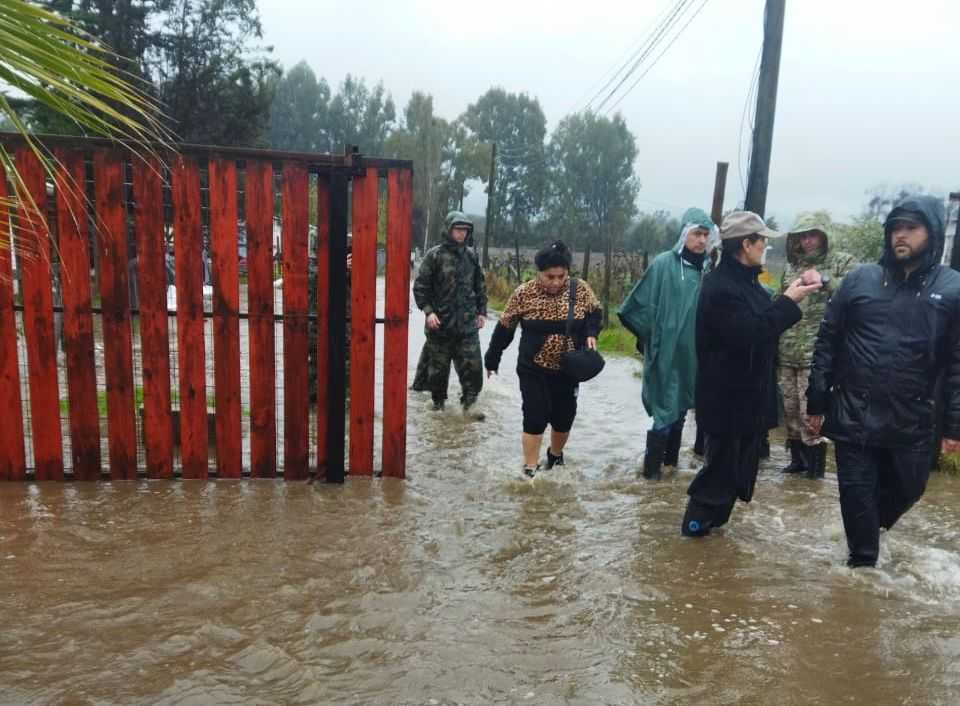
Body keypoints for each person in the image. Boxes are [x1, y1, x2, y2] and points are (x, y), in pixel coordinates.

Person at [807, 195, 960, 568]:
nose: (901, 236)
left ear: (933, 233)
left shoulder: (952, 289)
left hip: (913, 421)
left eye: (911, 228)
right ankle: (857, 590)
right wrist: (817, 401)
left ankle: (867, 530)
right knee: (862, 547)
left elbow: (957, 363)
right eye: (895, 228)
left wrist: (954, 424)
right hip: (854, 417)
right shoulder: (862, 280)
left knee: (910, 488)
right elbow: (828, 340)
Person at [681, 211, 822, 537]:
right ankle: (693, 537)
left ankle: (712, 541)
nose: (766, 248)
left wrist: (793, 290)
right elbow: (752, 331)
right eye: (762, 241)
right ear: (746, 244)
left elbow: (763, 315)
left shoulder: (749, 284)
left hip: (748, 401)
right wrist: (790, 299)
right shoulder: (720, 288)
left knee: (738, 475)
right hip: (726, 401)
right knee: (719, 474)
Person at [484, 241, 602, 477]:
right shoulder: (523, 293)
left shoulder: (579, 289)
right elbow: (505, 327)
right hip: (532, 368)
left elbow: (595, 312)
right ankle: (529, 468)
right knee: (535, 417)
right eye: (550, 277)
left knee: (564, 417)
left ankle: (555, 455)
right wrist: (492, 359)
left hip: (568, 367)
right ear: (538, 272)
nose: (556, 282)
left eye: (561, 276)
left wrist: (591, 334)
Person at [618, 207, 716, 479]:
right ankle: (651, 477)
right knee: (664, 411)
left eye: (706, 235)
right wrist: (649, 338)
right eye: (697, 233)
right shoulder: (663, 264)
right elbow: (637, 306)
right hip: (666, 353)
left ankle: (669, 466)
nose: (701, 240)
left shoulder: (709, 270)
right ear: (685, 233)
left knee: (682, 409)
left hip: (694, 355)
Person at [776, 213, 855, 478]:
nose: (808, 241)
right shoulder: (790, 267)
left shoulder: (842, 262)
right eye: (803, 235)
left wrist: (823, 278)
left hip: (817, 355)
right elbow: (780, 302)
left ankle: (815, 472)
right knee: (790, 412)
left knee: (810, 412)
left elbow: (856, 291)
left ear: (824, 235)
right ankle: (797, 461)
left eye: (813, 234)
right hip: (787, 351)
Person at [413, 211, 487, 415]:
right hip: (440, 326)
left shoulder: (471, 256)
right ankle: (438, 406)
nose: (461, 234)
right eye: (457, 229)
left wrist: (482, 311)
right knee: (438, 372)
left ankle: (470, 405)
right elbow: (420, 287)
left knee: (473, 368)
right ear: (449, 229)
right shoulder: (434, 255)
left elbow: (479, 285)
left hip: (467, 326)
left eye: (465, 230)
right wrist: (429, 312)